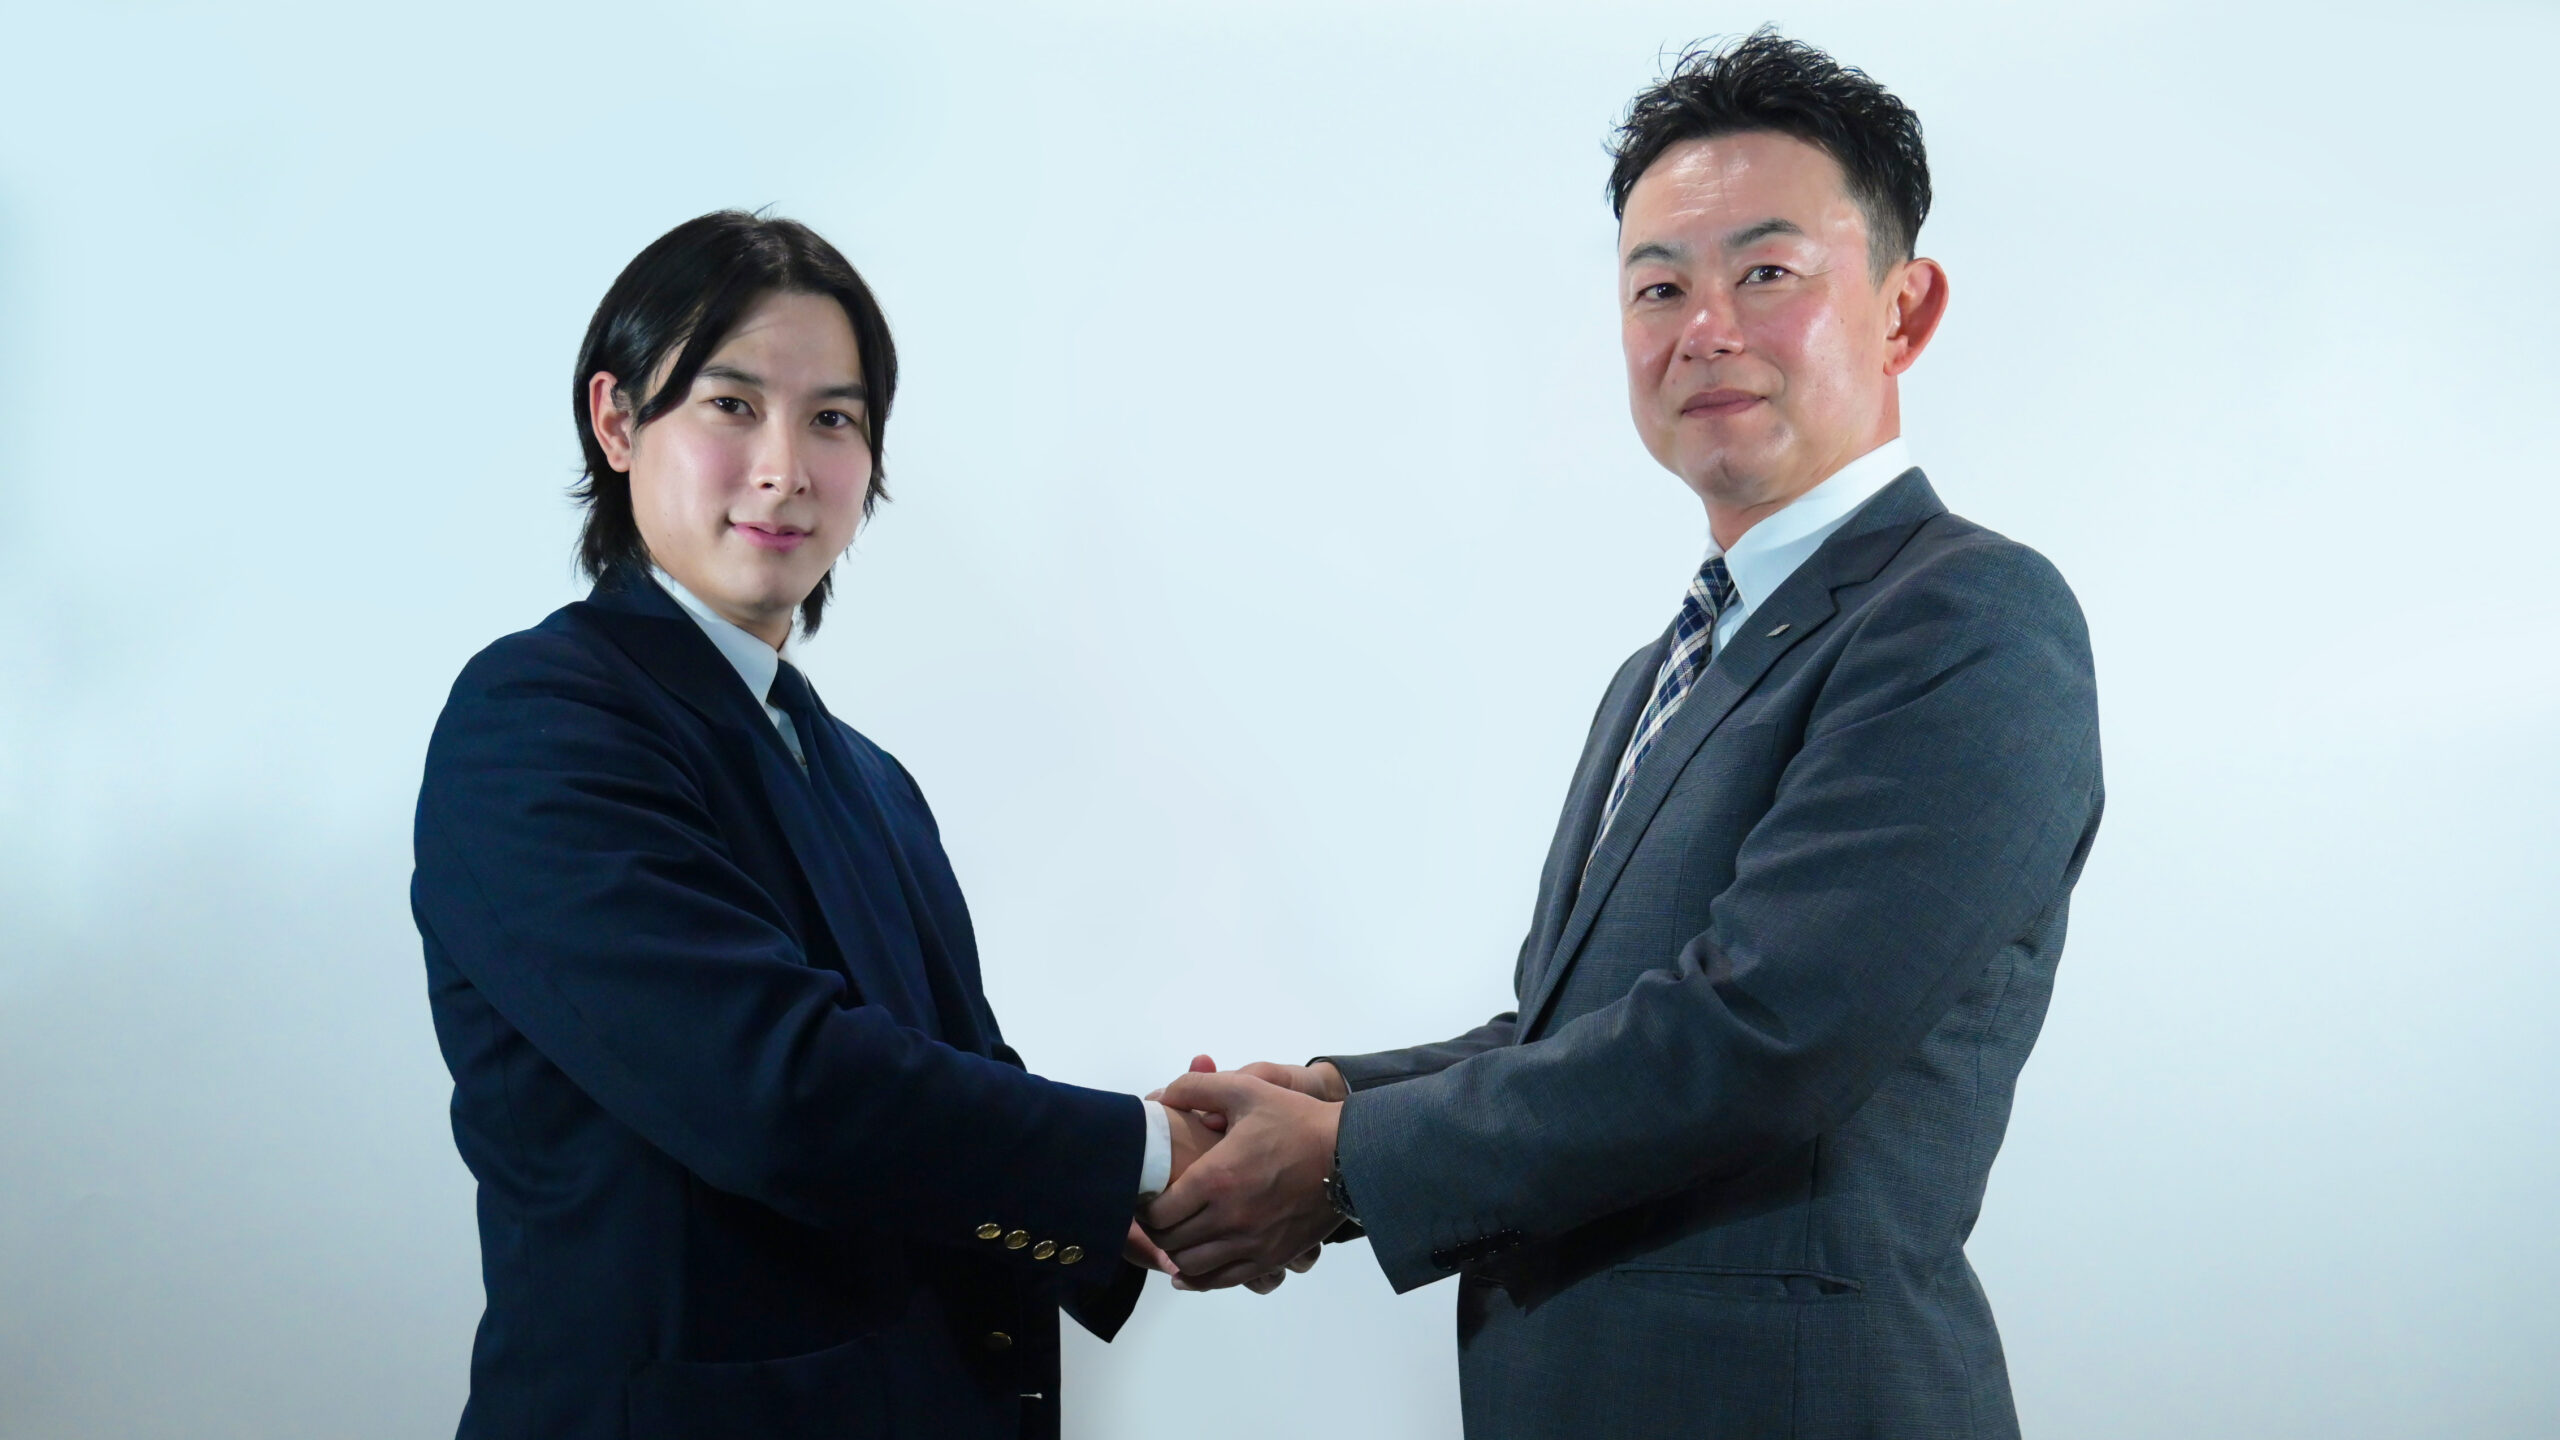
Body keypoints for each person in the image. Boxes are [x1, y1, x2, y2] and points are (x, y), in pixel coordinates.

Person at [1143, 31, 2105, 1439]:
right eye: (1659, 286)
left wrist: (1345, 1158)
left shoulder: (1968, 617)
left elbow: (1760, 1036)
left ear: (1905, 312)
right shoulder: (1661, 670)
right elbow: (1580, 1036)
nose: (1704, 327)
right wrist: (1335, 1095)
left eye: (1766, 273)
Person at [410, 211, 1242, 1440]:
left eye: (833, 420)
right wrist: (1144, 1150)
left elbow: (955, 1088)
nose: (785, 468)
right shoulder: (537, 719)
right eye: (731, 405)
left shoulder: (870, 778)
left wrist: (1153, 1190)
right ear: (617, 421)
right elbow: (779, 1091)